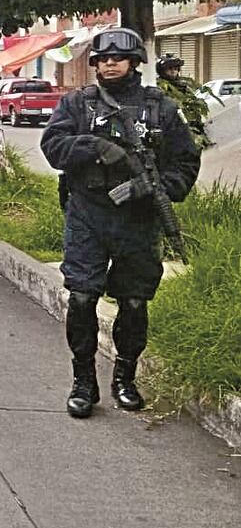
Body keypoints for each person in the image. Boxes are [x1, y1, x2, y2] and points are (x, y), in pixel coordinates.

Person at [41, 28, 199, 419]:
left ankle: (125, 377)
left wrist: (159, 187)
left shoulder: (159, 108)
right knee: (81, 298)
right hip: (88, 215)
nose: (109, 63)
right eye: (102, 58)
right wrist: (93, 146)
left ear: (135, 62)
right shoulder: (78, 104)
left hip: (138, 221)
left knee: (133, 301)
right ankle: (84, 381)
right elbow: (53, 146)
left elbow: (185, 161)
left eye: (118, 57)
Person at [155, 54, 213, 149]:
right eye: (170, 68)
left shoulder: (184, 87)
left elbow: (195, 107)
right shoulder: (158, 87)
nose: (173, 71)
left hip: (188, 128)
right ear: (162, 71)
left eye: (176, 68)